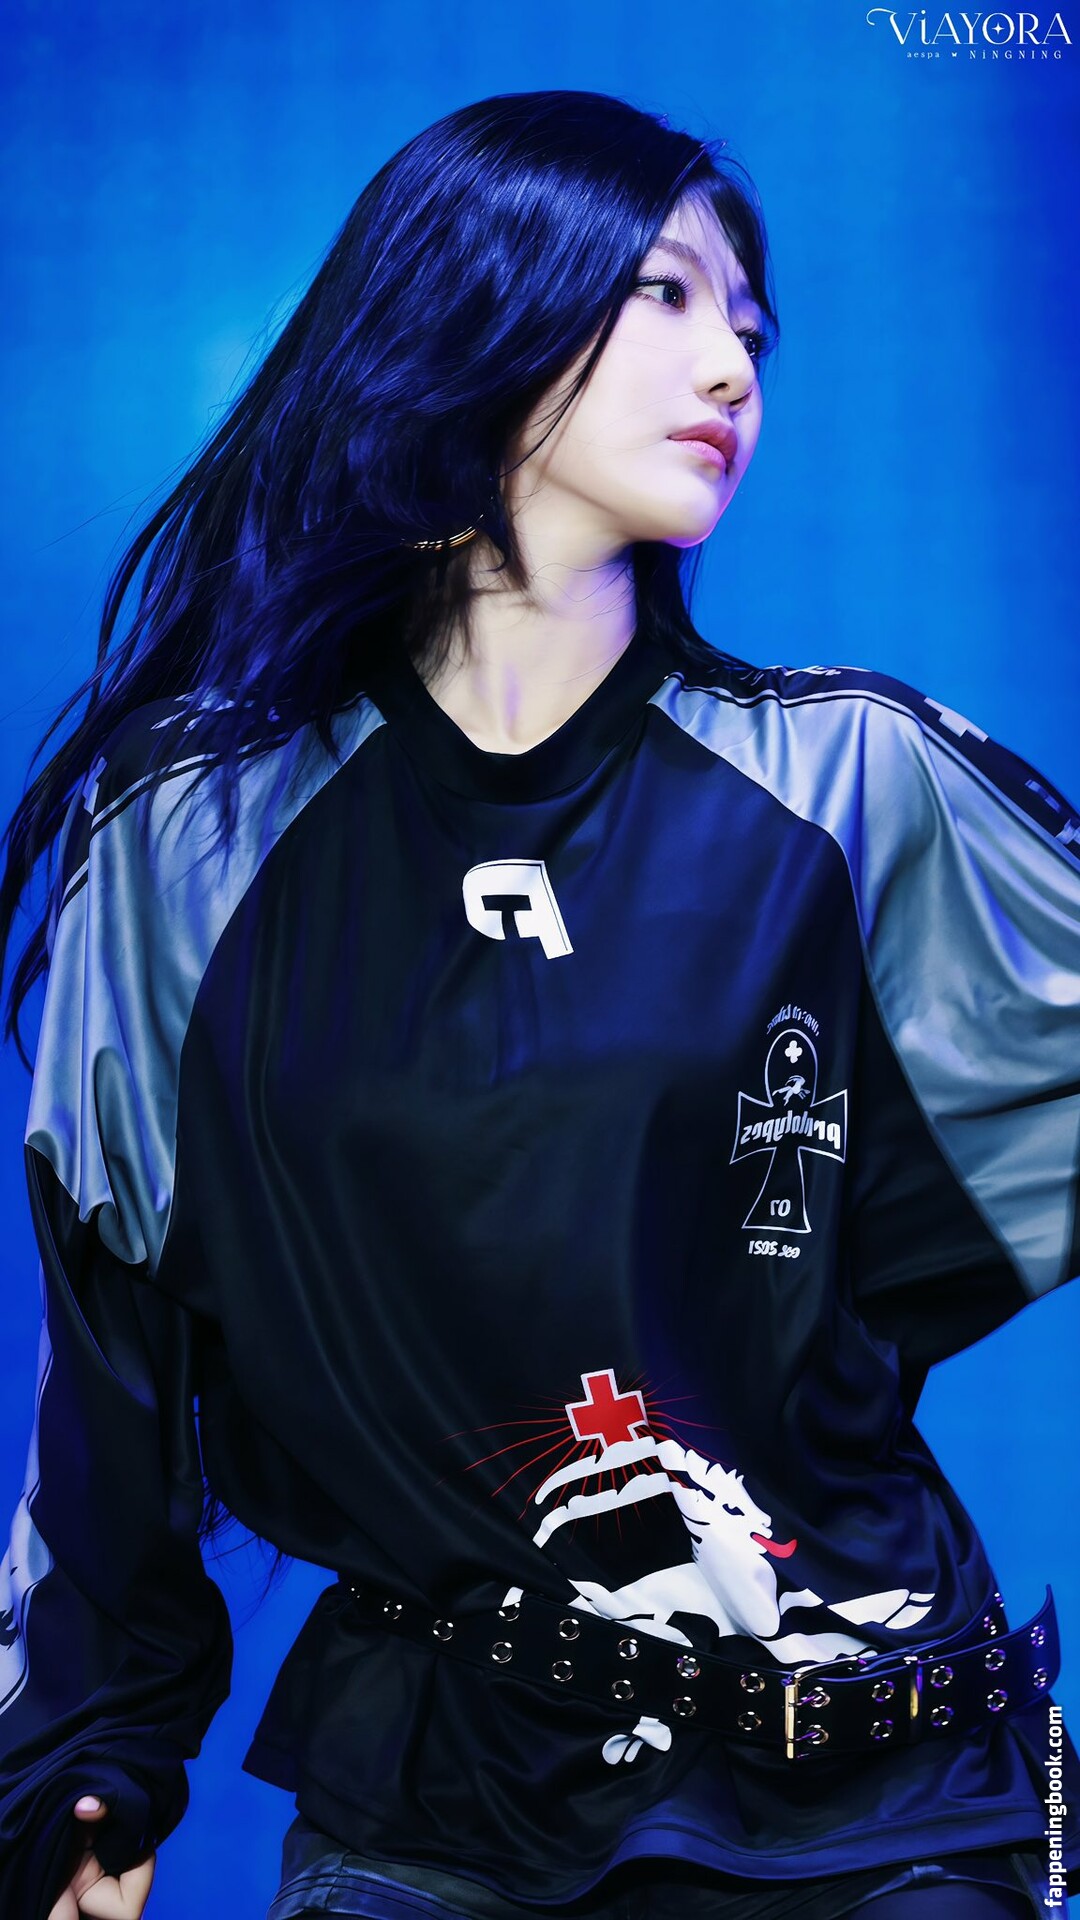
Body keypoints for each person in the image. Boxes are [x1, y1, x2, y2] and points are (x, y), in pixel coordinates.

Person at [0, 87, 1076, 1920]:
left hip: (881, 1803)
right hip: (440, 1808)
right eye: (664, 293)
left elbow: (871, 1255)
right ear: (474, 301)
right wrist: (85, 1757)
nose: (732, 362)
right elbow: (112, 1344)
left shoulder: (855, 787)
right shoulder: (190, 840)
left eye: (751, 325)